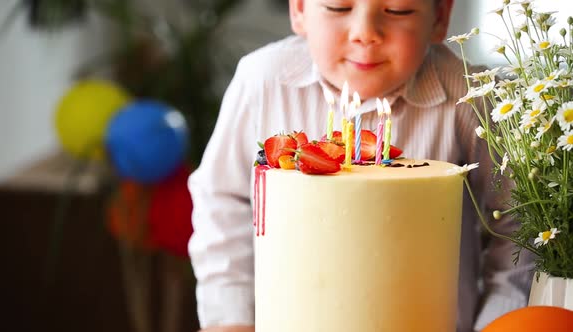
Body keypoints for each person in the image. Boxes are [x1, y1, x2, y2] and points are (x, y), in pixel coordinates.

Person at [188, 0, 534, 331]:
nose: (365, 32)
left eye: (398, 10)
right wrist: (231, 316)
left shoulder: (473, 97)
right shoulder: (262, 81)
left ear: (440, 16)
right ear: (299, 10)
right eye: (338, 7)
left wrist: (497, 321)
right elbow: (222, 200)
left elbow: (517, 222)